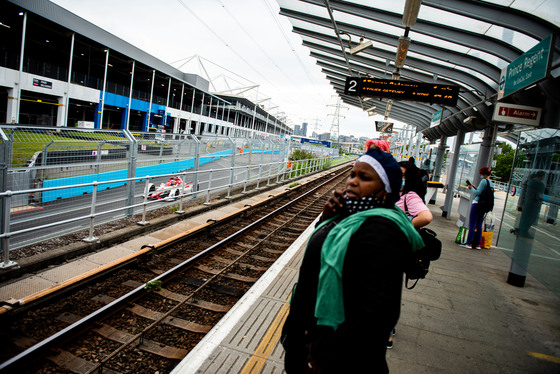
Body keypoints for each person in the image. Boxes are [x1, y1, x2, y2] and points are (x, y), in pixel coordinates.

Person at [281, 148, 424, 373]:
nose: (353, 182)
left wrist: (325, 354)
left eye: (365, 178)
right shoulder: (351, 217)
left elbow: (376, 313)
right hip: (313, 344)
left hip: (342, 360)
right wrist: (325, 219)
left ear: (385, 190)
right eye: (353, 174)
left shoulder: (381, 231)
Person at [387, 161, 433, 348]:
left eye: (402, 174)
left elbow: (426, 217)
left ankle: (386, 334)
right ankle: (387, 325)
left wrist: (402, 227)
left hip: (395, 250)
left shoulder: (410, 195)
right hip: (386, 248)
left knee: (387, 291)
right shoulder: (393, 193)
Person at [462, 167, 493, 250]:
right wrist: (476, 187)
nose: (480, 175)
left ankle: (469, 243)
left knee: (472, 224)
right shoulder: (490, 182)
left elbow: (478, 193)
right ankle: (478, 244)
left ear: (484, 174)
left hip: (477, 204)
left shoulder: (483, 181)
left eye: (481, 173)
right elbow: (483, 192)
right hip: (484, 205)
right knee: (479, 225)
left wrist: (471, 188)